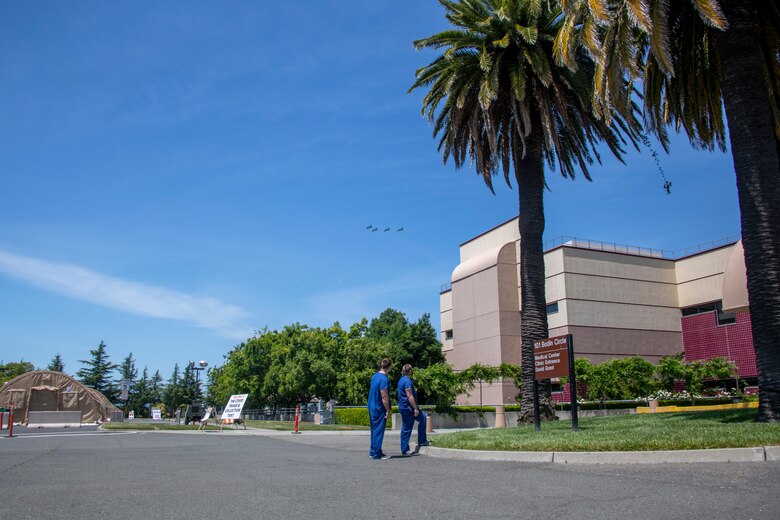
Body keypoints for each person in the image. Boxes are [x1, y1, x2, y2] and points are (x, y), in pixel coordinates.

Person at [397, 364, 429, 455]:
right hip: (408, 408)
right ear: (410, 371)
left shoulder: (401, 380)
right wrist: (415, 408)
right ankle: (405, 449)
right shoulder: (407, 381)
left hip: (406, 407)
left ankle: (422, 440)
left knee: (423, 418)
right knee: (407, 427)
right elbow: (410, 396)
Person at [368, 358, 393, 460]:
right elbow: (384, 396)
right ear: (389, 367)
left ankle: (373, 451)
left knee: (374, 430)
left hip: (371, 406)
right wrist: (388, 410)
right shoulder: (384, 379)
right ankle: (376, 453)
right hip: (379, 408)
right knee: (379, 430)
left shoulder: (374, 376)